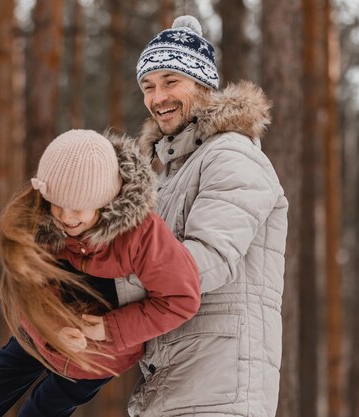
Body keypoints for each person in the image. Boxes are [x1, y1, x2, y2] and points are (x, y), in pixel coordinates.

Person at [0, 129, 200, 417]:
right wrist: (53, 326)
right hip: (42, 332)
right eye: (57, 204)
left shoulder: (143, 236)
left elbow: (181, 298)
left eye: (79, 207)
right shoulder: (42, 221)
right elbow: (30, 285)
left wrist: (111, 329)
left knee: (46, 407)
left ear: (106, 199)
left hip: (99, 355)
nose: (66, 217)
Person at [117, 15, 289, 417]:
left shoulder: (231, 154)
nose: (158, 97)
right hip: (176, 381)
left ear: (202, 85)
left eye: (170, 81)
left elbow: (206, 261)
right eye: (148, 86)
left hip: (221, 387)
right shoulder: (169, 172)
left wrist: (111, 288)